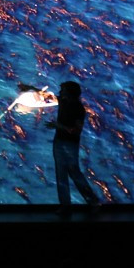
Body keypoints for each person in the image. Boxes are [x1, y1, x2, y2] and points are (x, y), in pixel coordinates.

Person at [44, 80, 100, 215]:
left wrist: (58, 126)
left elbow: (76, 130)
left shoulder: (78, 109)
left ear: (69, 92)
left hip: (69, 144)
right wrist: (29, 88)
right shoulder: (64, 101)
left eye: (62, 90)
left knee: (74, 173)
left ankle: (93, 202)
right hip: (59, 142)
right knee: (61, 174)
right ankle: (66, 205)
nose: (60, 92)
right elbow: (47, 96)